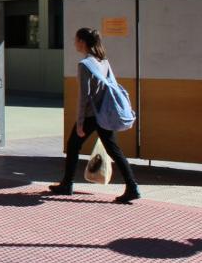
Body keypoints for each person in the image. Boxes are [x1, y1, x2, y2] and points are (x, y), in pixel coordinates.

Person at [48, 27, 141, 203]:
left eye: (76, 40)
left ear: (82, 42)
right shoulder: (103, 61)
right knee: (114, 150)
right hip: (105, 114)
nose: (74, 43)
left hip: (91, 115)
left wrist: (80, 121)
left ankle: (67, 184)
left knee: (73, 145)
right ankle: (132, 187)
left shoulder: (85, 65)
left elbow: (84, 96)